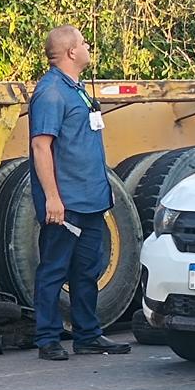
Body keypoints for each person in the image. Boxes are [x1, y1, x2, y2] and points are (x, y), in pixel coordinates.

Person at [28, 25, 132, 361]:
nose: (88, 47)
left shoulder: (78, 89)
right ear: (71, 52)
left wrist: (105, 190)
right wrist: (53, 198)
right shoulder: (51, 92)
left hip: (92, 200)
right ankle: (47, 339)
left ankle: (88, 335)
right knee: (54, 270)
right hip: (67, 202)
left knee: (88, 268)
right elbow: (41, 147)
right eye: (84, 43)